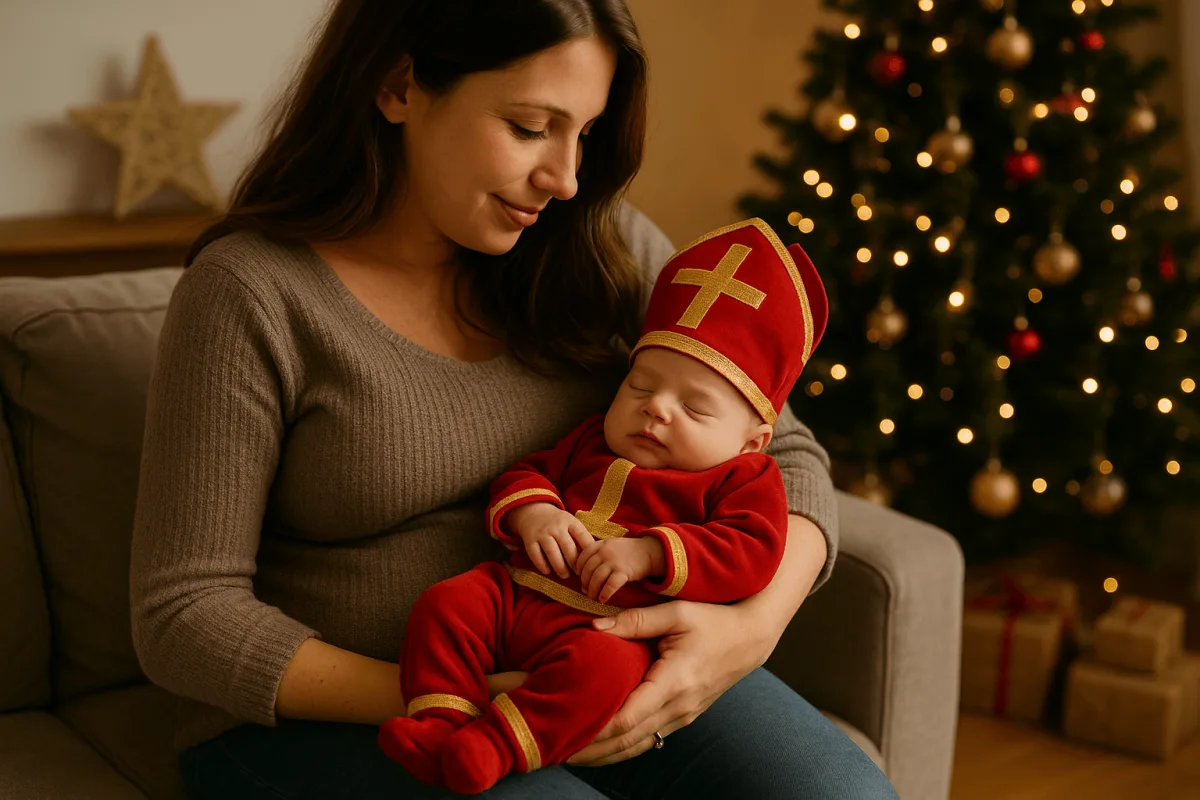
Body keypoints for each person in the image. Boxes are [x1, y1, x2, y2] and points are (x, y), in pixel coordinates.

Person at [128, 1, 900, 797]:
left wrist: (744, 631)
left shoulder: (602, 247)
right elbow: (185, 615)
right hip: (344, 715)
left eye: (585, 135)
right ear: (399, 87)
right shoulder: (250, 295)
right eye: (531, 127)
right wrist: (460, 694)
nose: (564, 178)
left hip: (598, 657)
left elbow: (785, 447)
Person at [379, 218, 830, 795]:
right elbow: (528, 474)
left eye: (695, 407)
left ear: (751, 442)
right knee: (446, 604)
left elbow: (753, 550)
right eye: (641, 386)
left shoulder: (745, 480)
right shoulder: (592, 439)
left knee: (602, 675)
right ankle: (439, 722)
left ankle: (491, 746)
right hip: (515, 596)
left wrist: (652, 553)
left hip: (609, 633)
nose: (656, 410)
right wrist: (533, 512)